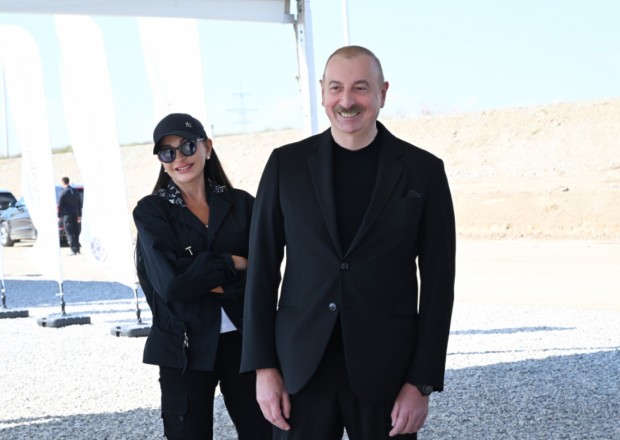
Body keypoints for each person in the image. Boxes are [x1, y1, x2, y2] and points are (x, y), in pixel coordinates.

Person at [240, 46, 456, 439]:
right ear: (323, 90)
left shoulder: (423, 171)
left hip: (388, 371)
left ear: (382, 93)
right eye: (336, 88)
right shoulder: (285, 165)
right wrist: (263, 368)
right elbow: (262, 272)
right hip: (300, 368)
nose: (346, 101)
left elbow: (439, 285)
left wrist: (421, 382)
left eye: (360, 88)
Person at [133, 113, 272, 440]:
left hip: (244, 342)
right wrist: (232, 262)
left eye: (187, 146)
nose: (179, 158)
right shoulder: (151, 211)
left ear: (207, 147)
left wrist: (198, 275)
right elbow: (170, 283)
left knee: (264, 432)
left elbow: (265, 271)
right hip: (182, 347)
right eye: (167, 152)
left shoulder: (242, 204)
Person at [58, 176, 82, 255]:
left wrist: (59, 216)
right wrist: (79, 215)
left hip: (67, 215)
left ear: (62, 182)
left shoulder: (63, 191)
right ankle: (78, 249)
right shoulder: (75, 191)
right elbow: (79, 204)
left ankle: (73, 250)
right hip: (75, 214)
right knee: (75, 232)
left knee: (69, 232)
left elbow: (60, 205)